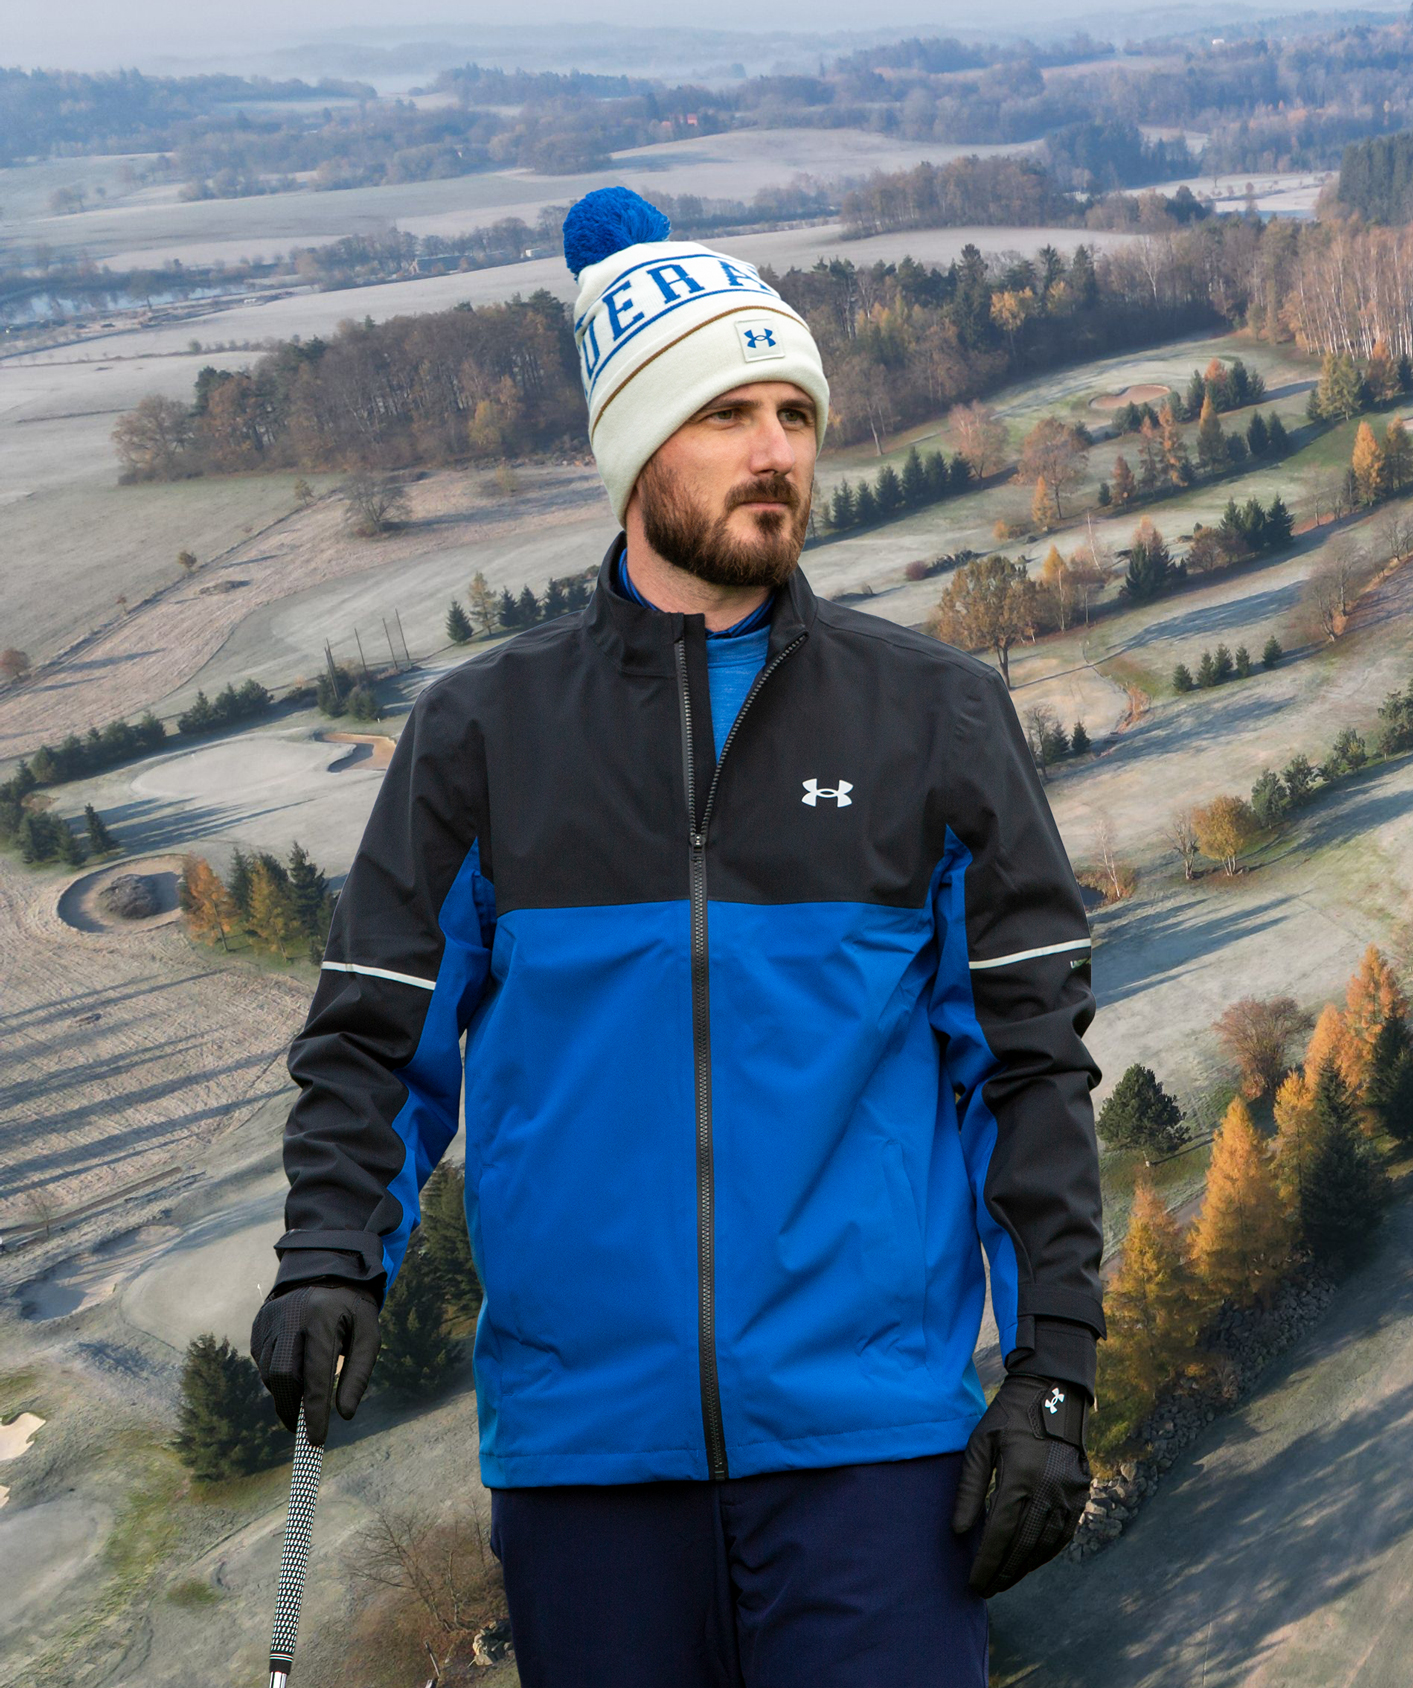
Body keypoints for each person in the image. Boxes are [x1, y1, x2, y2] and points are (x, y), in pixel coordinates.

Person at [247, 186, 1103, 1686]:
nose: (778, 451)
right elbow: (379, 1034)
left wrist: (1051, 1379)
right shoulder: (481, 740)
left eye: (796, 412)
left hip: (874, 1458)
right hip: (588, 1466)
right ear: (636, 451)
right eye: (727, 414)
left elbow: (1029, 1071)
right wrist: (332, 1254)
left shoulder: (937, 720)